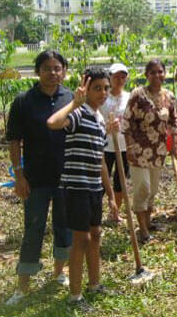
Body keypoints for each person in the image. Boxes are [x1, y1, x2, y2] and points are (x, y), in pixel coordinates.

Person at [46, 67, 118, 309]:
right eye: (97, 88)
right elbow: (53, 122)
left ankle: (94, 284)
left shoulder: (99, 120)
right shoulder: (79, 113)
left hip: (93, 188)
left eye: (106, 88)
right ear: (85, 90)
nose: (103, 93)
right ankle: (75, 296)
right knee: (82, 239)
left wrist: (110, 196)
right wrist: (74, 103)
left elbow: (101, 162)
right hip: (75, 187)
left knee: (96, 235)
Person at [5, 50, 73, 305]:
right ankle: (23, 285)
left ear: (64, 71)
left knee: (63, 226)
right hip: (35, 179)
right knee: (33, 229)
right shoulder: (24, 101)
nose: (53, 73)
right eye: (47, 68)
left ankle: (59, 272)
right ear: (37, 71)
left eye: (57, 68)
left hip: (65, 177)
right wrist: (19, 176)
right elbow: (14, 141)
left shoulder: (70, 98)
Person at [122, 59, 177, 243]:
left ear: (165, 73)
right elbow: (127, 121)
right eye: (152, 72)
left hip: (158, 150)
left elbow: (172, 122)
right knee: (143, 187)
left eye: (160, 71)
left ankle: (147, 221)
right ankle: (143, 230)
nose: (157, 75)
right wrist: (129, 147)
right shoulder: (138, 95)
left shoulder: (168, 96)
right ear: (147, 75)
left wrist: (174, 144)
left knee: (153, 189)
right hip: (139, 149)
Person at [99, 63, 130, 223]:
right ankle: (95, 214)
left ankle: (114, 213)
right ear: (109, 78)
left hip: (123, 145)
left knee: (121, 180)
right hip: (104, 145)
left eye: (123, 76)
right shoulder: (102, 97)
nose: (120, 79)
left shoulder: (129, 97)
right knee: (101, 181)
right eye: (116, 76)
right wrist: (106, 128)